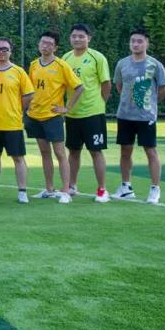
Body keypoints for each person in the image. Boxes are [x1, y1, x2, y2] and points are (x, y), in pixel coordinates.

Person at [26, 31, 84, 204]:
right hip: (35, 116)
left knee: (60, 153)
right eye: (43, 42)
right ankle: (49, 189)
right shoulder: (33, 65)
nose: (45, 46)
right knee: (45, 153)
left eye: (49, 44)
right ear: (39, 44)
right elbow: (30, 89)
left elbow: (79, 87)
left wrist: (66, 108)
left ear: (55, 47)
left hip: (52, 116)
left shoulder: (61, 65)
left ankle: (66, 191)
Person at [114, 28, 165, 204]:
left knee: (150, 151)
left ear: (147, 43)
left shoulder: (155, 65)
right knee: (125, 151)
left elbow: (164, 88)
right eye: (133, 41)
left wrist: (150, 103)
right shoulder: (122, 63)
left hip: (146, 117)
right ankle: (126, 187)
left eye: (139, 41)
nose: (136, 44)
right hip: (125, 115)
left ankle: (155, 189)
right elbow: (119, 86)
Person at [62, 24, 112, 203]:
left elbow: (106, 84)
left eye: (81, 36)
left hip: (93, 114)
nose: (77, 39)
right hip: (72, 114)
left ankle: (102, 190)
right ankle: (72, 186)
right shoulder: (65, 58)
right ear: (70, 38)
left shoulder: (97, 57)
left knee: (95, 151)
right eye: (74, 36)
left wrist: (100, 103)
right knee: (73, 152)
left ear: (88, 38)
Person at [0, 37, 35, 203]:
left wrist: (17, 109)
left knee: (18, 158)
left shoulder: (18, 72)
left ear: (10, 51)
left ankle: (22, 191)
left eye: (5, 49)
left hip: (13, 124)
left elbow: (29, 95)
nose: (1, 52)